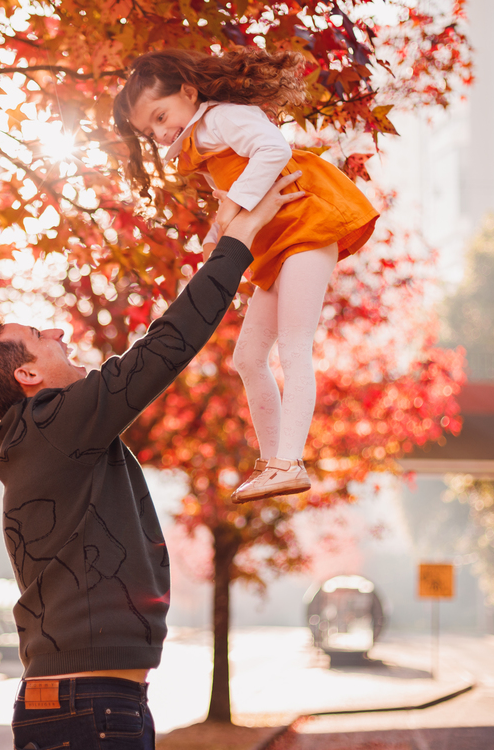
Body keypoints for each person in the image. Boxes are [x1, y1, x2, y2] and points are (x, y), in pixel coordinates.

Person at [0, 174, 305, 750]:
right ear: (27, 377)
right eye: (39, 336)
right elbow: (165, 346)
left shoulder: (41, 440)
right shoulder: (53, 423)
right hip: (88, 706)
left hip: (84, 703)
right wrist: (241, 239)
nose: (59, 332)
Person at [112, 48, 380, 503]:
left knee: (294, 344)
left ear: (188, 93)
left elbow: (273, 149)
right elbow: (234, 201)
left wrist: (232, 207)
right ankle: (273, 461)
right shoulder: (201, 143)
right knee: (248, 357)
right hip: (277, 245)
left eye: (160, 116)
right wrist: (217, 234)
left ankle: (288, 462)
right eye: (149, 131)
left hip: (306, 225)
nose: (159, 133)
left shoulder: (220, 118)